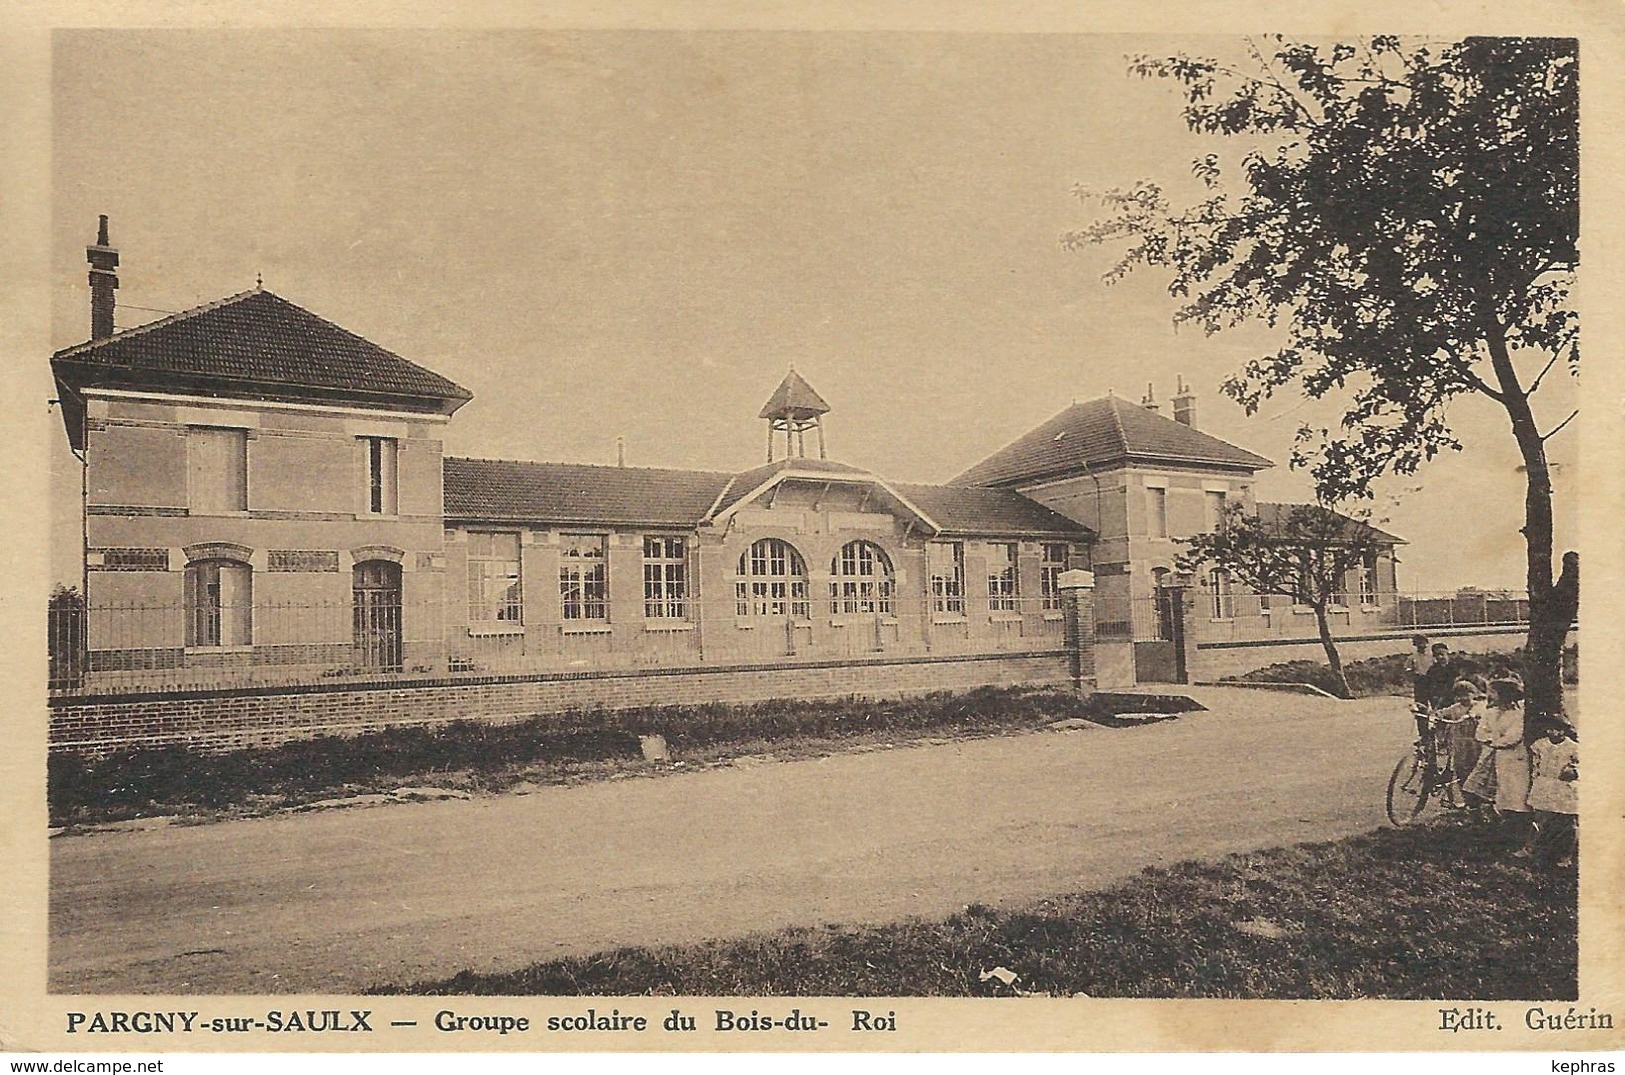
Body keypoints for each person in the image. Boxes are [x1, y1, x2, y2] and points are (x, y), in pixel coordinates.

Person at [1462, 676, 1531, 841]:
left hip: (1513, 759)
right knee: (1472, 788)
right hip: (1490, 756)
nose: (1489, 696)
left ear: (1504, 695)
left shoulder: (1519, 715)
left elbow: (1513, 737)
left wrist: (1493, 740)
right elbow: (1480, 732)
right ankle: (1485, 823)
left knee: (1513, 795)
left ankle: (1518, 833)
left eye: (1493, 692)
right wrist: (1492, 740)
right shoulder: (1490, 712)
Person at [1518, 717, 1578, 868]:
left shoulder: (1574, 748)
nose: (1552, 732)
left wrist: (1574, 771)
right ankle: (1529, 849)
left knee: (1568, 823)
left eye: (1557, 729)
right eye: (1550, 729)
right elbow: (1535, 764)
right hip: (1544, 785)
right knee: (1539, 819)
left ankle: (1566, 856)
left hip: (1564, 787)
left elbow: (1583, 767)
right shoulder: (1540, 745)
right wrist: (1535, 780)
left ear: (1564, 730)